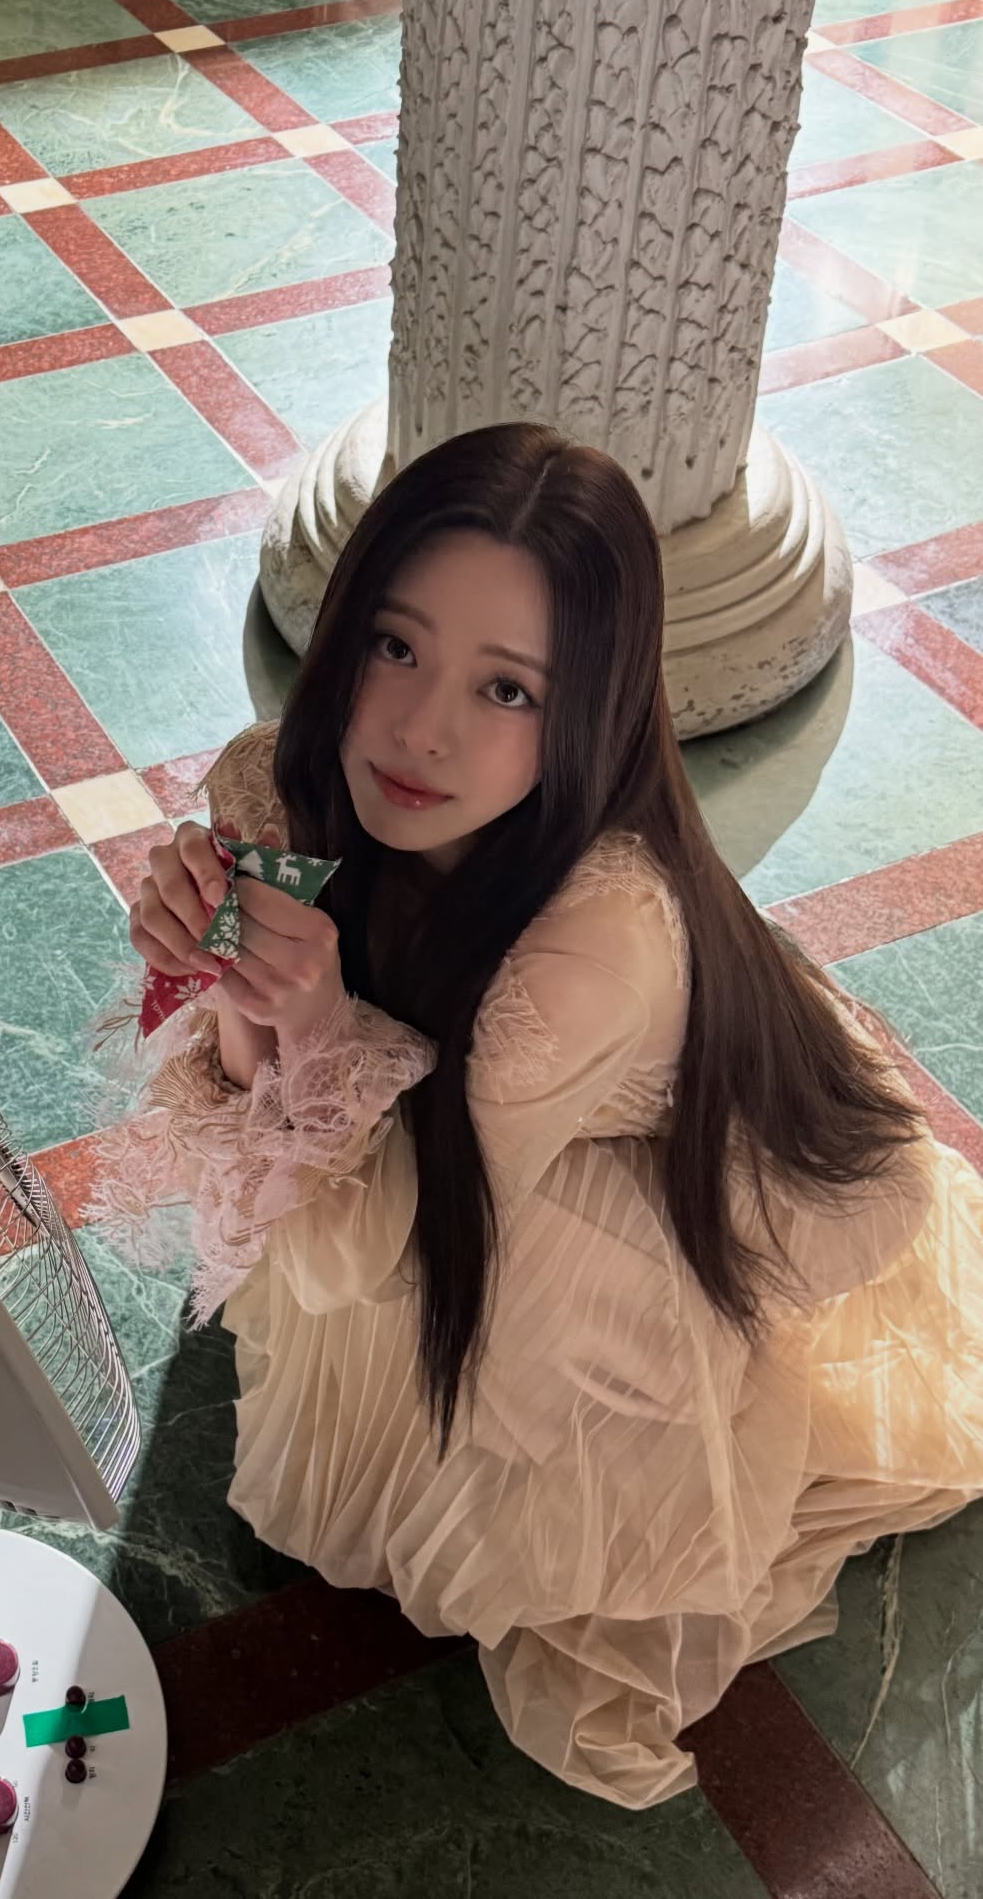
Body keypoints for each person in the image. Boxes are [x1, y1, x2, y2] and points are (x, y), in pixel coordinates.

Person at [93, 422, 983, 1808]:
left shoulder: (590, 956)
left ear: (591, 715)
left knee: (493, 1317)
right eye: (395, 645)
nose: (421, 730)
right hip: (445, 1122)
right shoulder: (271, 785)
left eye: (507, 688)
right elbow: (282, 1147)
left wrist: (313, 1026)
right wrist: (234, 986)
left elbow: (363, 1250)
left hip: (643, 1149)